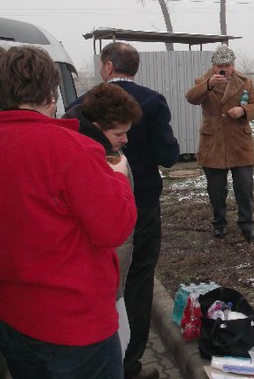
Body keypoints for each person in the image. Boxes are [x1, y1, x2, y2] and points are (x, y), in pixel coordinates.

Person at [0, 46, 136, 379]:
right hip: (76, 325)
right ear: (51, 91)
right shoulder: (71, 148)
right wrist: (119, 180)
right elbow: (113, 228)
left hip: (13, 316)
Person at [71, 42, 180, 379]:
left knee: (104, 281)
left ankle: (101, 358)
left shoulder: (81, 104)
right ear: (134, 68)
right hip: (142, 205)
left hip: (92, 208)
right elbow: (169, 154)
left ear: (107, 67)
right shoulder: (153, 101)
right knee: (138, 280)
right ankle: (129, 362)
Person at [64, 83, 143, 360]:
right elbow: (113, 229)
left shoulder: (95, 148)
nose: (124, 140)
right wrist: (119, 179)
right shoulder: (91, 159)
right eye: (118, 134)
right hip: (96, 289)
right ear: (96, 127)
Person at [186, 45, 254, 241]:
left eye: (227, 65)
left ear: (233, 65)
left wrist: (243, 111)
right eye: (219, 66)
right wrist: (208, 85)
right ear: (213, 66)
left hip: (239, 142)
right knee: (216, 188)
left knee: (244, 186)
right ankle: (219, 223)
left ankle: (247, 224)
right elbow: (191, 98)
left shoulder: (245, 82)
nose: (224, 69)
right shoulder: (204, 81)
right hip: (213, 143)